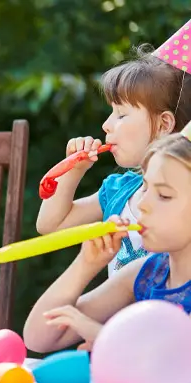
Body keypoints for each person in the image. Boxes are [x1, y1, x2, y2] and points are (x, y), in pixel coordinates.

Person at [36, 19, 191, 279]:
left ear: (164, 123)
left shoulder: (185, 193)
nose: (106, 125)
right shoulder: (120, 190)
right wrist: (73, 171)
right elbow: (50, 226)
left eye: (121, 115)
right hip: (111, 313)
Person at [25, 121, 191, 354]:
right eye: (144, 188)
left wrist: (100, 334)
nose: (142, 205)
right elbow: (38, 338)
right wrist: (85, 264)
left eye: (163, 195)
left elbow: (173, 359)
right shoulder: (147, 273)